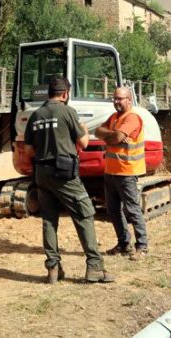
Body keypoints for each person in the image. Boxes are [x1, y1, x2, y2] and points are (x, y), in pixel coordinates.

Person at [23, 76, 114, 284]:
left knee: (49, 220)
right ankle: (94, 268)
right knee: (84, 214)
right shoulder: (68, 112)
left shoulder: (36, 116)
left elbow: (28, 151)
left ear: (49, 93)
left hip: (42, 174)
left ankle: (53, 269)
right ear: (65, 94)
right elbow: (82, 143)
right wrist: (82, 127)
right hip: (65, 174)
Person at [95, 86, 148, 260]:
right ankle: (124, 244)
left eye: (120, 98)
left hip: (126, 171)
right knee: (113, 210)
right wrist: (112, 134)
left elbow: (117, 138)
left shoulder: (132, 118)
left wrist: (111, 136)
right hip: (110, 171)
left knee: (132, 210)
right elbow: (97, 131)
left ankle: (142, 246)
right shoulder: (114, 118)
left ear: (129, 99)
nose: (117, 101)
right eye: (115, 98)